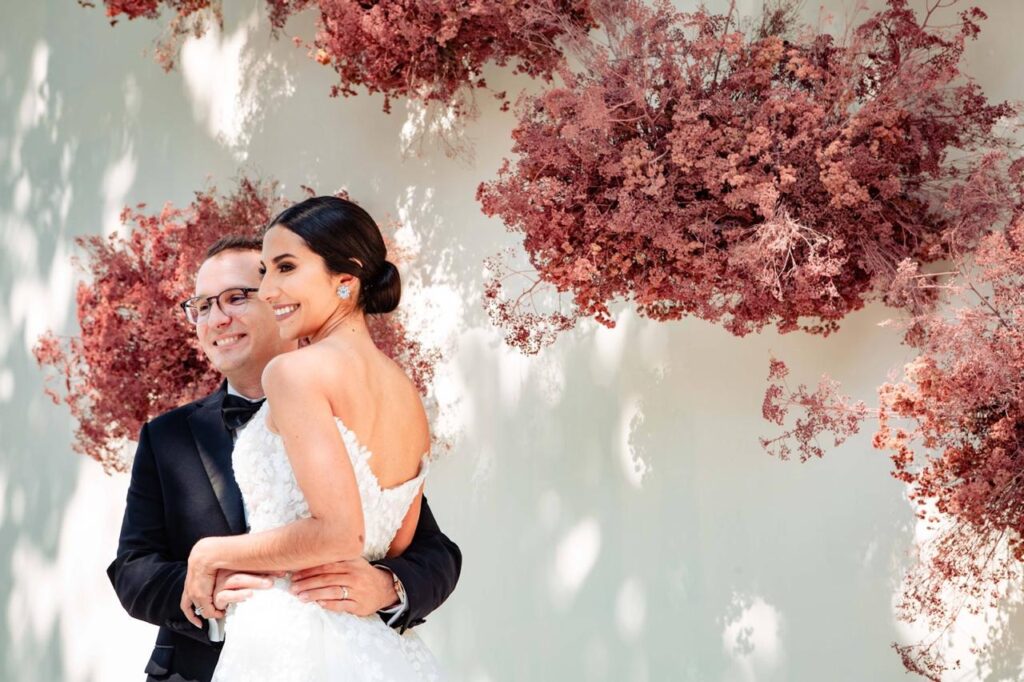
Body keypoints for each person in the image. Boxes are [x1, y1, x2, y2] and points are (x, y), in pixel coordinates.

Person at [108, 231, 461, 682]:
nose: (217, 319)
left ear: (280, 298)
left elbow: (432, 548)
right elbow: (132, 568)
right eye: (202, 306)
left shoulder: (347, 404)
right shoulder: (166, 436)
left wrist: (388, 587)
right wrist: (202, 588)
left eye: (236, 297)